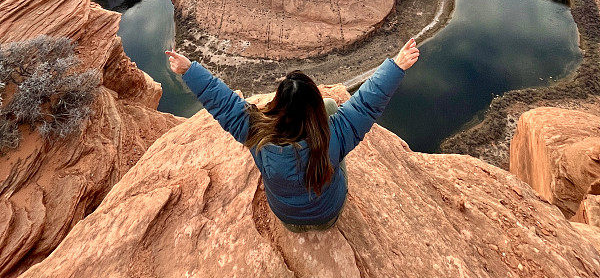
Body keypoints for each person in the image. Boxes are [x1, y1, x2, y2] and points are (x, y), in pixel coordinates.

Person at [165, 37, 419, 233]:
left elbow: (223, 103)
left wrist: (189, 70)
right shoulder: (333, 135)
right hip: (328, 216)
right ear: (314, 109)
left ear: (278, 105)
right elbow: (366, 104)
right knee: (334, 110)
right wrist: (397, 66)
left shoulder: (257, 133)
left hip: (287, 219)